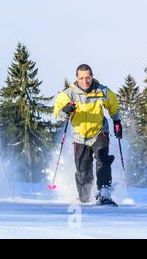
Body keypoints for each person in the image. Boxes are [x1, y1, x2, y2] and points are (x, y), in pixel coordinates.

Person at [53, 64, 122, 206]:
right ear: (77, 78)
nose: (85, 81)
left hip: (99, 131)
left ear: (92, 76)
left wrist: (117, 122)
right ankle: (84, 198)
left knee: (102, 159)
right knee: (82, 168)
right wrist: (66, 109)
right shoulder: (68, 94)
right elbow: (57, 115)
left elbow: (113, 105)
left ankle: (104, 194)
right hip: (79, 135)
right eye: (82, 78)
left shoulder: (102, 91)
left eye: (88, 77)